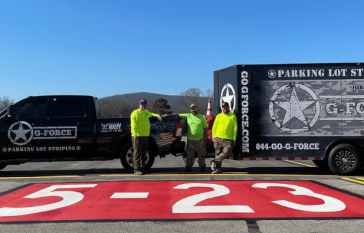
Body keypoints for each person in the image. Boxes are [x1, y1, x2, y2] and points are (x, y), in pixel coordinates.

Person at [164, 104, 208, 172]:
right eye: (192, 109)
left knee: (201, 154)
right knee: (190, 154)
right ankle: (189, 167)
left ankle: (202, 167)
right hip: (190, 139)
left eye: (195, 108)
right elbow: (178, 114)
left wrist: (205, 138)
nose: (193, 110)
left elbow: (205, 128)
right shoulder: (188, 116)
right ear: (190, 110)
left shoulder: (201, 117)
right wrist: (168, 115)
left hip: (200, 139)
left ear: (197, 109)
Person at [130, 99, 161, 175]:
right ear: (139, 105)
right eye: (142, 104)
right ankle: (136, 170)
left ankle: (142, 168)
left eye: (145, 104)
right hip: (138, 136)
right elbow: (133, 125)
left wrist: (158, 116)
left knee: (144, 153)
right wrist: (135, 135)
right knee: (137, 153)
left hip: (145, 136)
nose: (143, 105)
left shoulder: (146, 112)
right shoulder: (135, 113)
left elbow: (152, 114)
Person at [211, 102, 237, 174]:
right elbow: (214, 127)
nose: (224, 108)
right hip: (218, 138)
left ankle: (214, 161)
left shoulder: (232, 116)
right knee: (218, 153)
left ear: (228, 107)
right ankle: (217, 170)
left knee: (227, 152)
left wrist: (234, 138)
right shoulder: (219, 116)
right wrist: (213, 137)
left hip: (228, 139)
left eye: (226, 106)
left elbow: (235, 128)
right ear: (222, 108)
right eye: (223, 107)